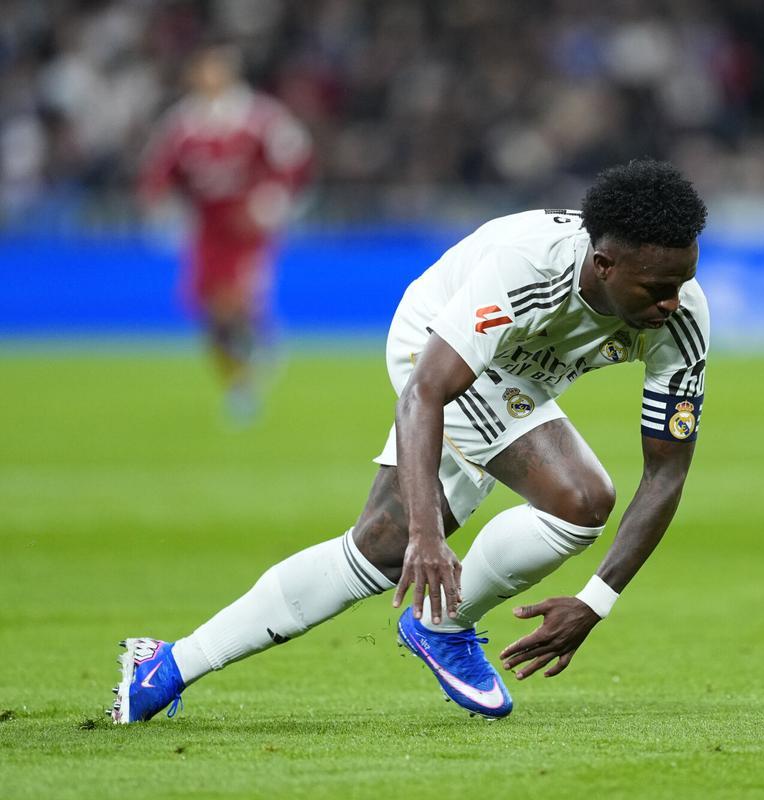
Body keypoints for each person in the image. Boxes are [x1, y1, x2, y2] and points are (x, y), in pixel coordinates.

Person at [110, 159, 709, 723]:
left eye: (684, 280)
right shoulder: (528, 269)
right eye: (657, 287)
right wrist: (429, 535)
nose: (673, 301)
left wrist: (595, 601)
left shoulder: (680, 317)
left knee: (378, 550)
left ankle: (164, 666)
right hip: (434, 348)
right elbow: (424, 393)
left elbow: (666, 474)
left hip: (517, 372)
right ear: (603, 264)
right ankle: (442, 626)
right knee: (578, 498)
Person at [139, 43, 312, 424]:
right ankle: (240, 380)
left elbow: (295, 157)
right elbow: (158, 171)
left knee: (235, 302)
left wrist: (274, 200)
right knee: (210, 314)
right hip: (205, 229)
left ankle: (253, 355)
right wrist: (160, 208)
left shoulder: (259, 117)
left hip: (247, 227)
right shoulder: (182, 123)